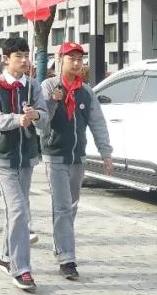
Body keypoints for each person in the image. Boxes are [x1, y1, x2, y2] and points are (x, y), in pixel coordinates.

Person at [39, 42, 113, 281]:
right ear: (60, 60)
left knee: (71, 206)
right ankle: (67, 259)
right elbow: (40, 123)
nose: (77, 63)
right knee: (61, 206)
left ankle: (60, 243)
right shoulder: (48, 86)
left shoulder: (86, 91)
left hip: (77, 156)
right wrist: (52, 101)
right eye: (72, 58)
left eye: (80, 59)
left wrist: (105, 152)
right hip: (54, 154)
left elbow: (97, 123)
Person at [0, 36, 48, 293]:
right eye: (18, 56)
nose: (24, 60)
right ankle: (21, 269)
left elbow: (45, 119)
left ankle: (4, 256)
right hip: (3, 156)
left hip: (27, 157)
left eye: (26, 55)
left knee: (16, 210)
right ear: (5, 59)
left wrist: (37, 116)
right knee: (19, 209)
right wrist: (15, 119)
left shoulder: (33, 86)